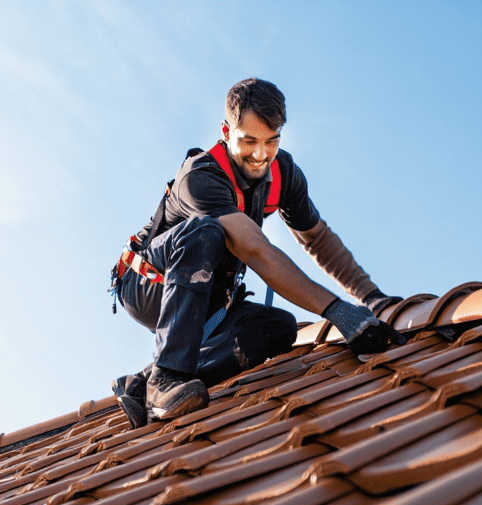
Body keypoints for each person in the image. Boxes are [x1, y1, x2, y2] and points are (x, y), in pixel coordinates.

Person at [110, 77, 405, 427]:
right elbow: (254, 249)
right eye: (248, 141)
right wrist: (339, 312)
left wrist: (372, 299)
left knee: (277, 328)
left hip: (208, 300)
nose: (260, 154)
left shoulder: (284, 174)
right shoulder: (201, 175)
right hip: (148, 284)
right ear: (226, 130)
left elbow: (317, 238)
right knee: (205, 232)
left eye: (271, 141)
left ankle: (144, 382)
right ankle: (165, 381)